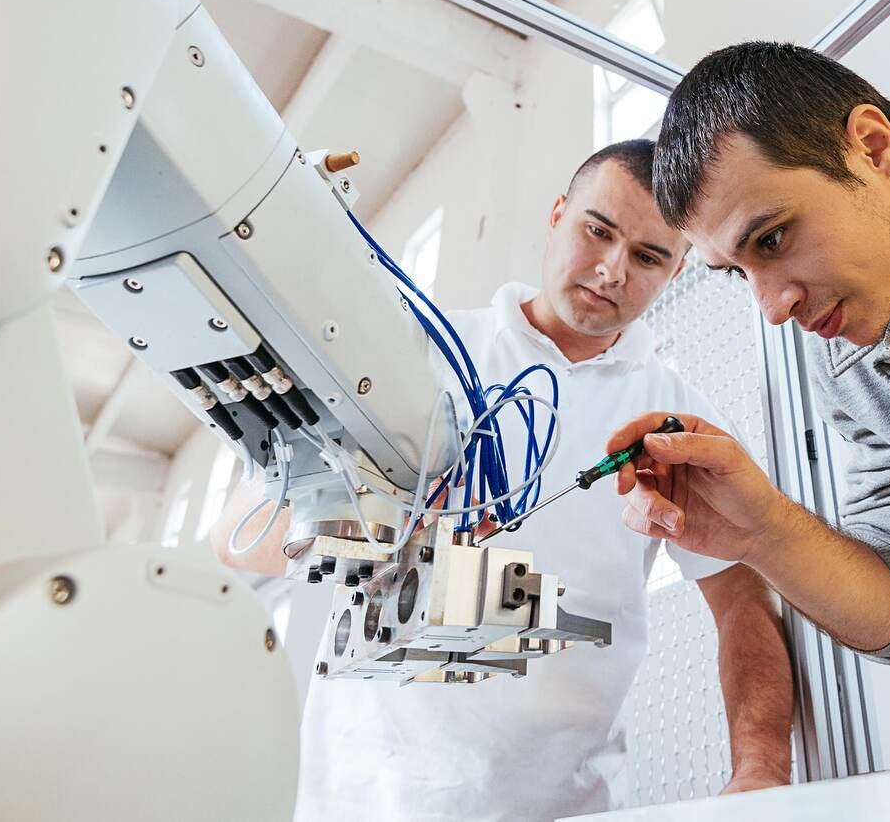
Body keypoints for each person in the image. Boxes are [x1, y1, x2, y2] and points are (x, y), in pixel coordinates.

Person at [214, 140, 793, 821]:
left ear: (678, 269)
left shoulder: (676, 423)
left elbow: (743, 603)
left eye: (647, 256)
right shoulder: (415, 354)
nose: (611, 270)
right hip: (361, 796)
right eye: (597, 231)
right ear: (557, 213)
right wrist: (377, 518)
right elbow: (240, 540)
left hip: (557, 804)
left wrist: (762, 772)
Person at [610, 35, 890, 666]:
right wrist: (765, 534)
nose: (773, 309)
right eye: (735, 271)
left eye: (773, 239)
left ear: (872, 146)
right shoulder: (850, 366)